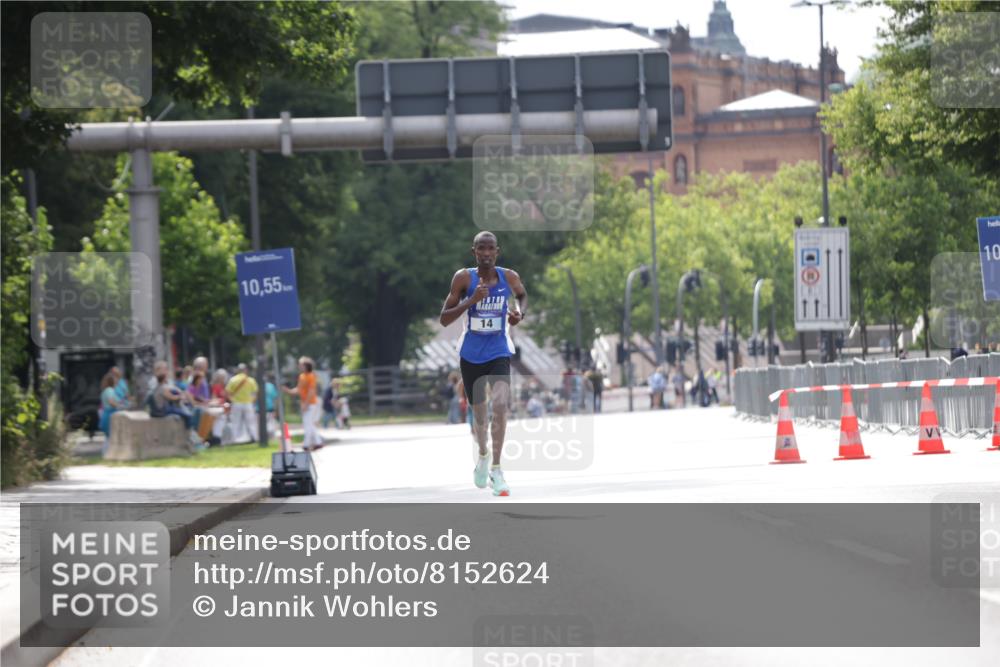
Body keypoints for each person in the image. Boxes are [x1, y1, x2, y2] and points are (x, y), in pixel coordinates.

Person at [439, 231, 527, 497]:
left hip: (499, 348)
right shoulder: (464, 278)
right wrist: (471, 301)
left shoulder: (508, 276)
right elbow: (444, 318)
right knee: (480, 416)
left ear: (497, 251)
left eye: (490, 249)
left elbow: (522, 296)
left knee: (500, 404)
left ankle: (498, 470)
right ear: (474, 252)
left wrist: (519, 314)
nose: (486, 253)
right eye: (481, 249)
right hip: (471, 353)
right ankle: (483, 455)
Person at [148, 362, 201, 448]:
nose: (166, 371)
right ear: (158, 370)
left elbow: (174, 389)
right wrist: (179, 396)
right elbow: (168, 394)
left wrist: (180, 394)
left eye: (166, 369)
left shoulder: (167, 381)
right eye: (164, 369)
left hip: (172, 405)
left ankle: (193, 435)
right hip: (162, 409)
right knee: (187, 415)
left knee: (192, 412)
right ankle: (191, 436)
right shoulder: (155, 382)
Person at [282, 356, 322, 451]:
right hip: (305, 403)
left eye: (301, 364)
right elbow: (299, 389)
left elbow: (311, 391)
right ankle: (318, 442)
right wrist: (288, 391)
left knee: (307, 423)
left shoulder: (311, 376)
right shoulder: (302, 376)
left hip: (310, 403)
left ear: (306, 366)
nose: (299, 366)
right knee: (309, 424)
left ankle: (306, 444)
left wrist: (306, 404)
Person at [225, 363, 259, 443]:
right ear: (245, 370)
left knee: (236, 422)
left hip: (236, 404)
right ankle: (254, 437)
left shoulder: (233, 380)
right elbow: (256, 392)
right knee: (251, 422)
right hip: (248, 403)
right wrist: (252, 400)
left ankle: (234, 439)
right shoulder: (250, 380)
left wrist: (232, 400)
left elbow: (227, 392)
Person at [97, 372, 123, 452]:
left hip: (106, 414)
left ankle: (107, 453)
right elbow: (111, 402)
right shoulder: (110, 390)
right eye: (115, 379)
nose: (117, 381)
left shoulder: (105, 391)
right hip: (110, 415)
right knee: (111, 436)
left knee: (109, 437)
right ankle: (107, 453)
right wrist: (119, 405)